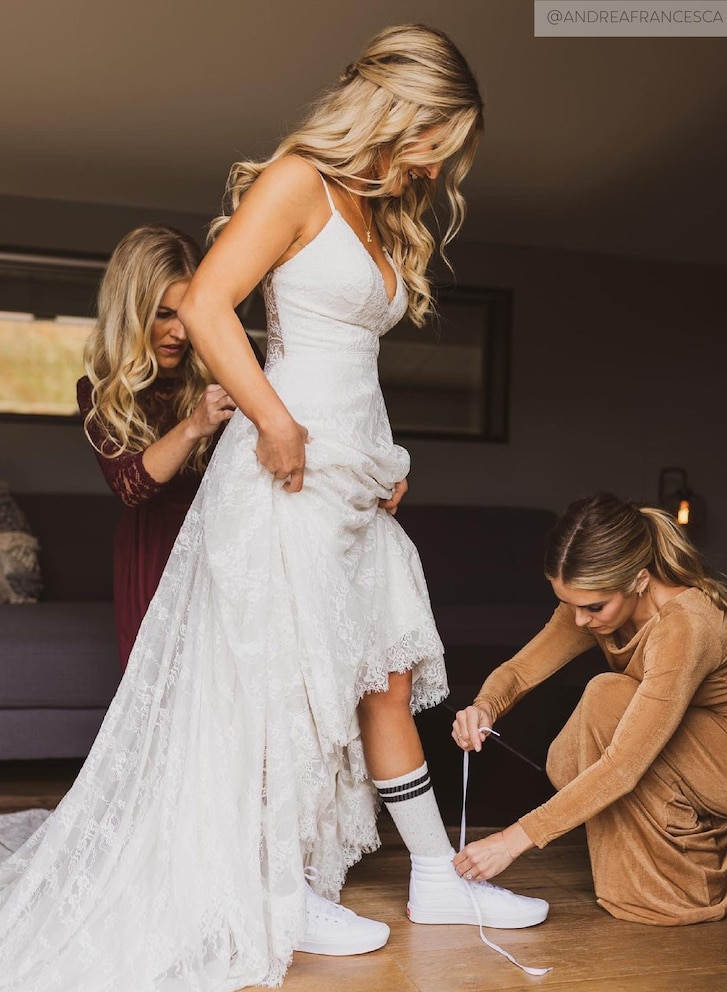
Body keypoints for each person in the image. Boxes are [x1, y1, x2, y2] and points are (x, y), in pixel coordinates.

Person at [0, 24, 546, 992]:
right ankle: (281, 891)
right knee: (282, 694)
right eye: (433, 135)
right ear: (394, 108)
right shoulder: (299, 179)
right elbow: (210, 301)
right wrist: (274, 422)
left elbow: (356, 362)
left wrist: (387, 459)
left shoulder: (380, 212)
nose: (435, 160)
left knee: (381, 674)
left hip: (354, 487)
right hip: (286, 480)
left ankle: (434, 874)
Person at [452, 492, 727, 926]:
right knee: (572, 755)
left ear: (640, 580)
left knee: (607, 699)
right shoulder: (593, 607)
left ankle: (713, 867)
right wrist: (483, 707)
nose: (579, 621)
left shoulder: (686, 624)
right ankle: (712, 837)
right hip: (703, 750)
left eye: (593, 607)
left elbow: (625, 765)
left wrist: (512, 840)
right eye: (570, 604)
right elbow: (520, 671)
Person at [77, 224, 250, 668]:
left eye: (188, 314)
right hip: (153, 554)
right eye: (162, 314)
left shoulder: (229, 360)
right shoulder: (100, 391)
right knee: (160, 701)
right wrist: (195, 424)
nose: (179, 332)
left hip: (230, 544)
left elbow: (291, 426)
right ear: (131, 312)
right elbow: (128, 486)